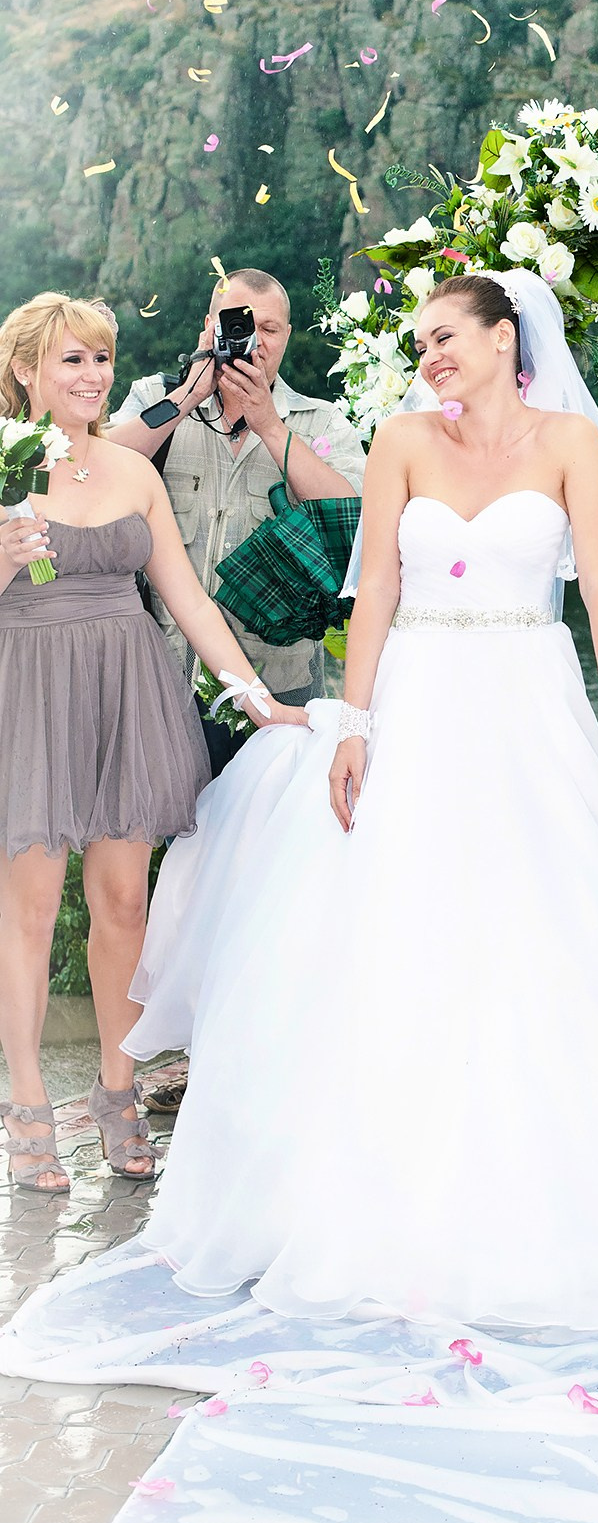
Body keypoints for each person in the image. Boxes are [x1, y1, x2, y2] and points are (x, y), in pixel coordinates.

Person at [118, 270, 598, 1327]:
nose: (431, 357)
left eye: (448, 336)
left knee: (540, 927)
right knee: (395, 923)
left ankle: (547, 1195)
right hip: (416, 696)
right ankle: (371, 1196)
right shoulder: (403, 441)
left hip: (526, 697)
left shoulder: (569, 445)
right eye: (421, 343)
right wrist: (353, 724)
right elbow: (376, 589)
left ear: (506, 337)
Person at [0, 294, 306, 1193]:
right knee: (27, 911)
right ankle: (26, 1103)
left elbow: (190, 600)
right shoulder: (1, 470)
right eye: (73, 360)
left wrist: (255, 698)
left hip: (124, 694)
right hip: (31, 695)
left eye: (101, 359)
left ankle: (116, 1088)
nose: (93, 376)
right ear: (25, 371)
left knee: (124, 903)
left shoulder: (134, 471)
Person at [106, 267, 365, 770]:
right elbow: (99, 468)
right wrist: (188, 396)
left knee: (262, 818)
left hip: (280, 683)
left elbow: (351, 521)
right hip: (160, 676)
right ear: (209, 327)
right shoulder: (155, 399)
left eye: (270, 329)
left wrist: (270, 425)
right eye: (239, 324)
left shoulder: (321, 421)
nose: (255, 341)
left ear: (287, 335)